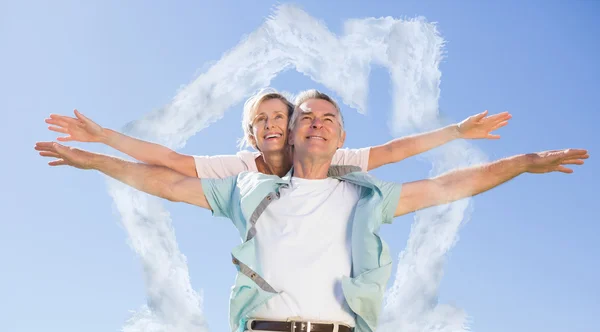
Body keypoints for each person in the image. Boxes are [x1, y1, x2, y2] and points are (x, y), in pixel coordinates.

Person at [36, 90, 588, 332]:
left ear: (342, 138)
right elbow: (169, 179)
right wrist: (98, 158)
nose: (317, 124)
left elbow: (448, 184)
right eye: (306, 118)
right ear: (286, 134)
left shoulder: (365, 193)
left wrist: (521, 163)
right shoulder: (247, 188)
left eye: (330, 119)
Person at [37, 88, 512, 179]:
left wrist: (456, 130)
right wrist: (103, 139)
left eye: (278, 118)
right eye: (259, 121)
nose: (269, 126)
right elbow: (171, 160)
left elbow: (393, 151)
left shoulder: (329, 161)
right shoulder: (245, 167)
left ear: (293, 130)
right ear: (250, 135)